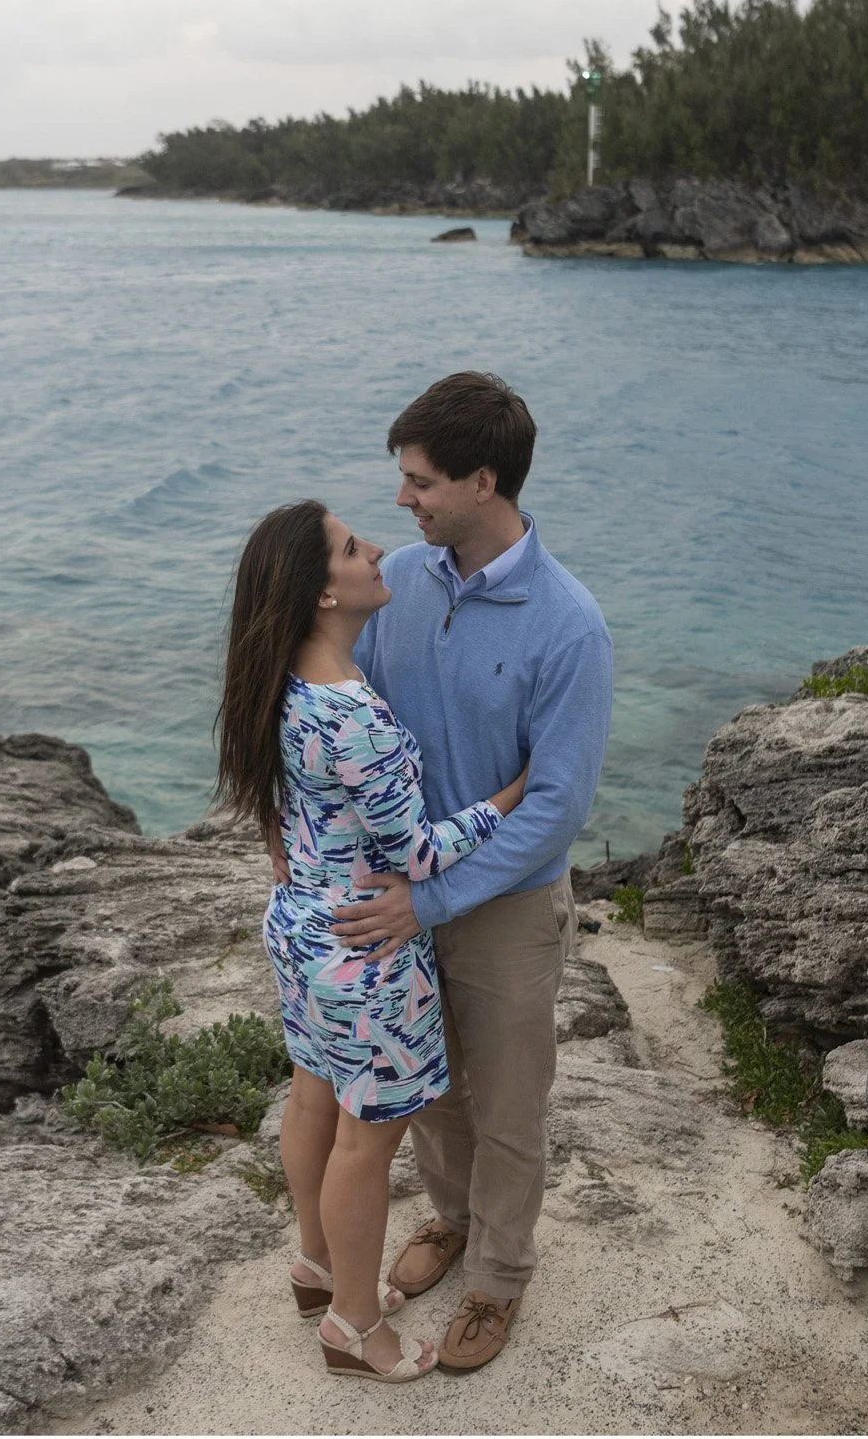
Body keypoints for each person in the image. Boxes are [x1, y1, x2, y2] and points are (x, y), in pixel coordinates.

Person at [332, 371, 614, 1372]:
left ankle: (498, 1276)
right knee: (430, 1086)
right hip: (401, 893)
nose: (403, 500)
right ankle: (447, 1220)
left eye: (419, 481)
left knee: (504, 1102)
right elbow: (337, 704)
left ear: (482, 480)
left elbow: (556, 810)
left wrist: (434, 897)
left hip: (498, 906)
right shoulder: (399, 583)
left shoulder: (568, 625)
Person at [217, 498, 528, 1383]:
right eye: (355, 547)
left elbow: (288, 819)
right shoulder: (357, 719)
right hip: (367, 957)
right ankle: (354, 1328)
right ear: (323, 593)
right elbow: (420, 854)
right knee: (368, 1140)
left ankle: (318, 1266)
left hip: (302, 930)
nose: (378, 549)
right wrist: (508, 797)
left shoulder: (277, 688)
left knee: (312, 1097)